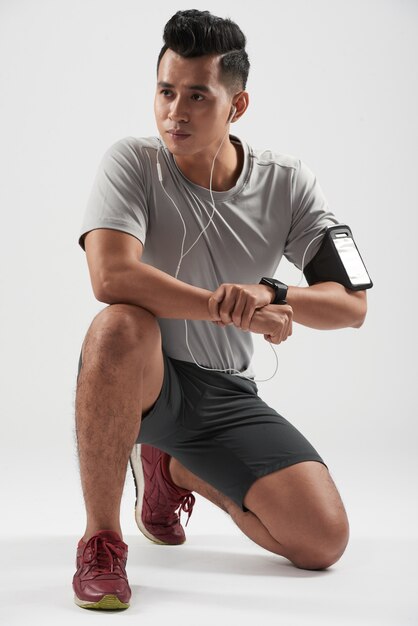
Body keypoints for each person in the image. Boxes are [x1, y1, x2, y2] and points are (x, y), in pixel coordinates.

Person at [72, 9, 368, 611]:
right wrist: (220, 307)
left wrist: (274, 294)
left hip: (226, 394)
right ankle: (102, 540)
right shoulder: (132, 161)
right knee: (117, 325)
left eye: (197, 96)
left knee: (323, 542)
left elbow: (352, 306)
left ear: (238, 106)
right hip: (144, 376)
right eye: (165, 91)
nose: (174, 112)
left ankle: (171, 470)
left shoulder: (288, 183)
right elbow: (110, 275)